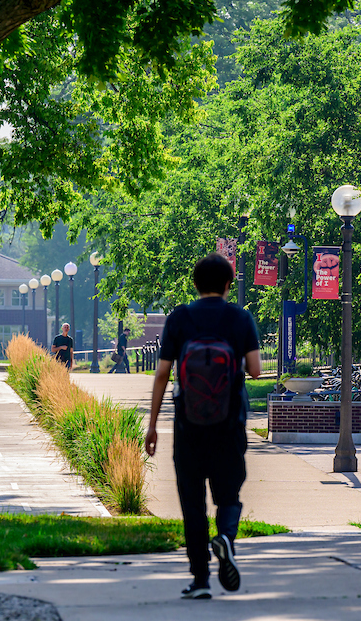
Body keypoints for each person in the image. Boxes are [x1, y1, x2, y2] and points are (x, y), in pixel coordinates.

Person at [145, 253, 260, 600]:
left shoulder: (180, 318)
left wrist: (152, 426)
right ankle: (225, 536)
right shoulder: (240, 318)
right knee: (228, 496)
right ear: (228, 285)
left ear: (195, 284)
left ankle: (200, 580)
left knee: (192, 503)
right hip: (229, 424)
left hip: (188, 426)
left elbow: (163, 373)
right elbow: (255, 370)